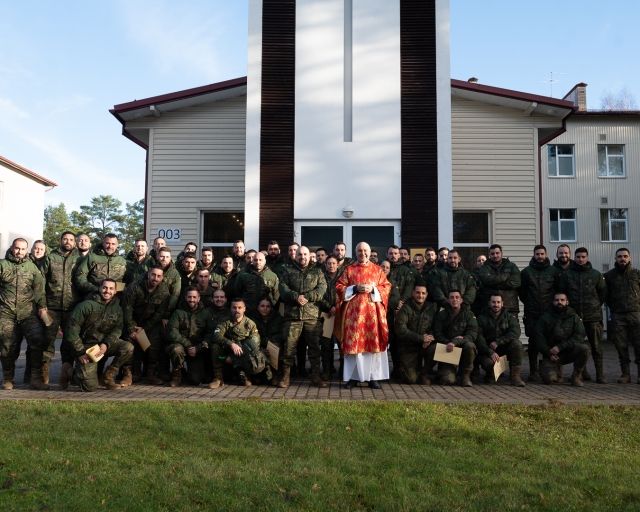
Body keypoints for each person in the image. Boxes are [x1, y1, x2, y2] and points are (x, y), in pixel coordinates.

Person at [60, 278, 134, 391]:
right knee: (89, 387)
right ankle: (69, 371)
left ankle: (108, 377)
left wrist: (106, 344)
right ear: (99, 288)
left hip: (101, 347)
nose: (107, 291)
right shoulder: (85, 305)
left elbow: (117, 330)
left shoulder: (117, 309)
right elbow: (71, 330)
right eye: (104, 288)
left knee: (128, 347)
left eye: (111, 289)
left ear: (115, 291)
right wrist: (79, 352)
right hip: (85, 347)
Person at [335, 242, 391, 389]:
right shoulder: (349, 270)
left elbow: (386, 287)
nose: (363, 253)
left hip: (372, 315)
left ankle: (373, 377)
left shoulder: (378, 270)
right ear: (356, 253)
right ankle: (354, 377)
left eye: (365, 250)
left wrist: (373, 288)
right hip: (354, 317)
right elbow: (339, 287)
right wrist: (354, 288)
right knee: (355, 347)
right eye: (360, 251)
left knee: (371, 347)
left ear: (370, 251)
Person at [0, 238, 49, 390]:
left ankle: (35, 378)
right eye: (17, 248)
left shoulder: (32, 268)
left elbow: (40, 291)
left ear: (26, 250)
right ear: (12, 248)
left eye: (22, 249)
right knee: (7, 347)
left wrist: (42, 308)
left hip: (28, 313)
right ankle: (8, 378)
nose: (19, 251)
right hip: (6, 313)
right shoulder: (2, 265)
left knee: (37, 341)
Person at [277, 246, 327, 388]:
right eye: (300, 254)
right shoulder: (287, 270)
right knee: (289, 349)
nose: (302, 257)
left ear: (309, 256)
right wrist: (295, 297)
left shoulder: (318, 271)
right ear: (296, 256)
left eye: (305, 254)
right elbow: (282, 288)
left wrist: (307, 297)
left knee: (314, 349)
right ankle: (285, 377)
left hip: (312, 317)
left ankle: (315, 377)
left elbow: (322, 289)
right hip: (292, 317)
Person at [557, 247, 607, 383]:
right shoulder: (567, 275)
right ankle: (581, 373)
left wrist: (594, 306)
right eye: (578, 257)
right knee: (578, 347)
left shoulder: (596, 274)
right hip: (574, 318)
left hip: (593, 317)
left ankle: (600, 375)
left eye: (583, 257)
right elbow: (562, 294)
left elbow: (602, 294)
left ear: (587, 257)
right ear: (575, 257)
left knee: (596, 347)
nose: (580, 259)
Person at [41, 231, 81, 385]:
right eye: (65, 239)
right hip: (51, 307)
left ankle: (66, 374)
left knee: (70, 341)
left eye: (71, 239)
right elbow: (41, 281)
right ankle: (44, 377)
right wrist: (42, 304)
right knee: (48, 341)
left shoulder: (79, 259)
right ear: (60, 240)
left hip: (72, 308)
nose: (68, 241)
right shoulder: (50, 257)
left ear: (75, 242)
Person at [122, 266, 171, 384]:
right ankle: (131, 373)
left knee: (154, 344)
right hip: (133, 322)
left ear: (162, 277)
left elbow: (159, 314)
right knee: (130, 343)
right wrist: (132, 328)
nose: (155, 278)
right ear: (148, 274)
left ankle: (151, 373)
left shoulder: (164, 291)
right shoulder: (134, 287)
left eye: (159, 276)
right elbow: (127, 309)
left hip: (151, 324)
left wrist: (144, 328)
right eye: (153, 275)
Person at [519, 244, 559, 381]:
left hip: (549, 313)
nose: (540, 256)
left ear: (546, 255)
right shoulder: (526, 272)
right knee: (533, 343)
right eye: (537, 254)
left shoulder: (554, 271)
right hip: (532, 313)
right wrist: (531, 303)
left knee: (550, 340)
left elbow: (557, 291)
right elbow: (522, 293)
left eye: (542, 254)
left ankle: (549, 370)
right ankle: (533, 371)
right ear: (534, 255)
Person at [535, 292, 590, 386]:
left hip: (568, 352)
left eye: (562, 300)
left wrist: (560, 347)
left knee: (584, 348)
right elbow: (538, 338)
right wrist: (548, 352)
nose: (559, 302)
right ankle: (557, 372)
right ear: (553, 302)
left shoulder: (574, 317)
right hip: (551, 355)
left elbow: (579, 336)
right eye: (556, 300)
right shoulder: (545, 317)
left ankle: (576, 376)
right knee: (550, 380)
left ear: (567, 302)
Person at [604, 248, 640, 383]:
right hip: (618, 315)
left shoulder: (636, 274)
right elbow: (605, 296)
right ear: (615, 258)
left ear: (630, 258)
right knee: (621, 346)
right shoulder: (609, 276)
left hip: (636, 314)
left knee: (638, 345)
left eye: (625, 256)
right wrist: (614, 307)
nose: (622, 259)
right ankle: (625, 374)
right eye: (619, 256)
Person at [212, 298, 268, 386]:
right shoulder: (225, 321)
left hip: (243, 354)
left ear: (244, 309)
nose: (237, 310)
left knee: (250, 347)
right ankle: (218, 378)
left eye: (239, 307)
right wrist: (231, 344)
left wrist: (234, 358)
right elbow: (216, 336)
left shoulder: (250, 324)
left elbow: (255, 344)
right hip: (226, 353)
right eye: (234, 307)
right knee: (215, 347)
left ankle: (245, 375)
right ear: (230, 308)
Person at [166, 287, 213, 387]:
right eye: (189, 297)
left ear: (199, 298)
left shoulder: (206, 313)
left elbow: (210, 334)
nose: (192, 299)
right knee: (176, 349)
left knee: (195, 380)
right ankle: (177, 375)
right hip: (182, 345)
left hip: (197, 349)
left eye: (194, 297)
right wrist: (188, 345)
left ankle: (187, 372)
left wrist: (198, 348)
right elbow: (172, 332)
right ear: (185, 297)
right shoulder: (178, 312)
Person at [476, 294, 525, 386]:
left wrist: (499, 342)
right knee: (489, 364)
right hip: (488, 351)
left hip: (504, 350)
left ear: (502, 304)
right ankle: (490, 374)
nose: (496, 304)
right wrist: (489, 352)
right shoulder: (481, 318)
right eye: (493, 302)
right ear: (489, 303)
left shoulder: (510, 317)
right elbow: (479, 338)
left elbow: (515, 333)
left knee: (517, 344)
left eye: (498, 302)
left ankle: (515, 377)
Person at [394, 282, 438, 384]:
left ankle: (424, 373)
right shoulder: (405, 308)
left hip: (425, 345)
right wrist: (421, 338)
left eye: (423, 293)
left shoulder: (432, 308)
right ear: (413, 293)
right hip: (408, 347)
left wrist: (429, 338)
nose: (420, 295)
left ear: (426, 294)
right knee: (411, 379)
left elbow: (436, 327)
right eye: (418, 293)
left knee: (436, 349)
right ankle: (405, 370)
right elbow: (401, 330)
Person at [433, 290, 479, 387]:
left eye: (457, 297)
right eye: (452, 297)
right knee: (448, 380)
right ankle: (445, 373)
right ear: (448, 300)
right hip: (447, 350)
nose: (455, 299)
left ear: (461, 300)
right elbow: (437, 333)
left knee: (470, 346)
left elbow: (472, 334)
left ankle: (465, 375)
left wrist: (455, 342)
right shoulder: (441, 314)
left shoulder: (469, 315)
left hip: (463, 349)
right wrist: (448, 343)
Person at [74, 233, 127, 299]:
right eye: (107, 243)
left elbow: (127, 281)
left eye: (113, 244)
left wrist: (117, 290)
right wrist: (96, 289)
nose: (110, 246)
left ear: (117, 245)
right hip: (93, 297)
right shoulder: (92, 257)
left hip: (116, 299)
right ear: (103, 243)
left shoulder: (122, 261)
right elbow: (80, 277)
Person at [476, 244, 521, 315]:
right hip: (490, 308)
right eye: (492, 253)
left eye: (497, 253)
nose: (495, 255)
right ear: (489, 255)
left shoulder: (511, 266)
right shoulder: (484, 267)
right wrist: (505, 277)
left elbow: (516, 282)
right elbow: (486, 280)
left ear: (501, 253)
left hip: (510, 306)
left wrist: (494, 284)